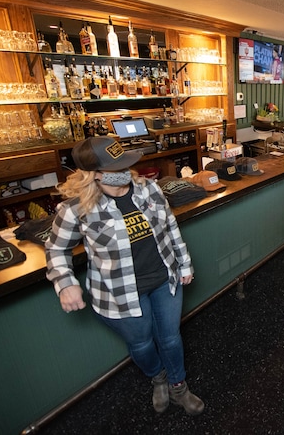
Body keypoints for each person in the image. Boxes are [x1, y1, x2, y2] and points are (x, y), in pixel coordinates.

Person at [44, 136, 204, 415]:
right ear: (94, 174)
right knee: (141, 344)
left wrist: (185, 264)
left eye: (124, 164)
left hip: (164, 280)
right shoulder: (75, 209)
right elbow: (56, 248)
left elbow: (171, 227)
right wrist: (65, 283)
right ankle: (158, 377)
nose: (124, 172)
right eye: (114, 168)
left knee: (170, 338)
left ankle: (178, 385)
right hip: (119, 293)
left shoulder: (149, 189)